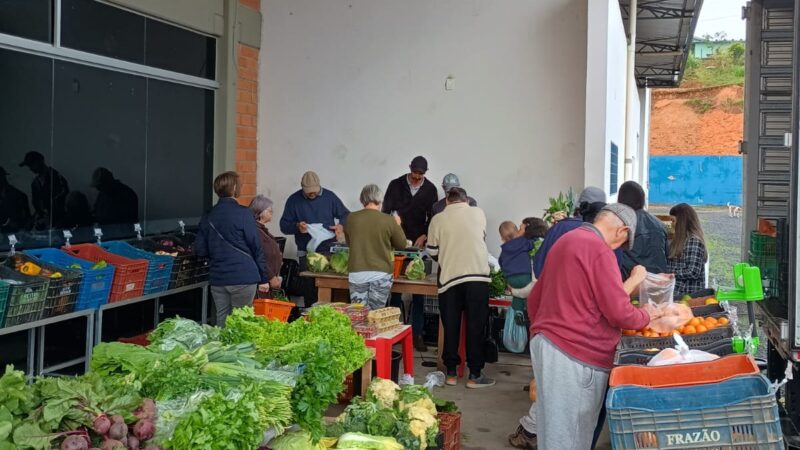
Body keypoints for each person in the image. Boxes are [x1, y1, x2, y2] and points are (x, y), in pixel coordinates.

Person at [527, 204, 655, 449]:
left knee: (552, 432)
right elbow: (619, 312)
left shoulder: (566, 240)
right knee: (570, 438)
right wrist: (645, 315)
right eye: (623, 242)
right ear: (622, 231)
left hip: (548, 345)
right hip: (575, 355)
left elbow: (535, 299)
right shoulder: (599, 250)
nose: (618, 248)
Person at [427, 187, 495, 388]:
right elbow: (479, 238)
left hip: (449, 280)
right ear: (466, 200)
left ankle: (450, 373)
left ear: (447, 201)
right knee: (476, 327)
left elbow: (432, 252)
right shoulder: (478, 213)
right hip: (478, 278)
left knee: (451, 327)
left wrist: (448, 256)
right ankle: (474, 375)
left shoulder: (438, 219)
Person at [196, 171, 269, 326]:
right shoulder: (243, 213)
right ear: (235, 187)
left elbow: (200, 249)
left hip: (218, 278)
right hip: (243, 276)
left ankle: (222, 343)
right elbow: (256, 246)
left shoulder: (208, 215)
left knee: (222, 320)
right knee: (241, 323)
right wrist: (264, 278)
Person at [383, 156, 439, 351]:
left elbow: (433, 218)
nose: (416, 177)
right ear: (409, 169)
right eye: (414, 173)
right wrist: (392, 230)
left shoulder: (430, 189)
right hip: (396, 241)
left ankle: (417, 334)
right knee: (396, 288)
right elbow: (385, 212)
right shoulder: (395, 185)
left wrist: (425, 235)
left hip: (418, 242)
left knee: (418, 290)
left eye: (420, 175)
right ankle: (394, 330)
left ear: (425, 173)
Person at [279, 171, 349, 308]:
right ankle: (310, 314)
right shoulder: (293, 200)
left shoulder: (329, 197)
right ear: (302, 188)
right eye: (308, 191)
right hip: (306, 253)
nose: (312, 193)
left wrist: (341, 225)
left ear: (319, 186)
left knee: (330, 288)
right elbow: (284, 226)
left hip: (328, 252)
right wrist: (297, 227)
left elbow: (346, 214)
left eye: (314, 191)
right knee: (309, 290)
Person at [344, 184, 408, 309]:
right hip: (381, 273)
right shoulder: (388, 220)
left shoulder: (351, 218)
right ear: (380, 200)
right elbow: (401, 244)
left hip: (357, 272)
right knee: (375, 315)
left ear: (362, 199)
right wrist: (398, 225)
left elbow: (349, 243)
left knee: (359, 313)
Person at [532, 186, 607, 278]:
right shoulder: (606, 233)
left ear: (578, 207)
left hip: (557, 285)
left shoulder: (561, 228)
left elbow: (539, 267)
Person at [618, 180, 669, 279]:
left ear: (621, 200)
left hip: (630, 281)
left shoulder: (623, 224)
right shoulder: (659, 224)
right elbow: (666, 254)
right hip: (656, 280)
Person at [19, 151, 69, 230]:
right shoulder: (35, 183)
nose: (30, 168)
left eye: (32, 164)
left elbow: (62, 199)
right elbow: (37, 204)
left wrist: (48, 215)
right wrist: (38, 217)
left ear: (40, 161)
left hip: (58, 222)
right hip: (45, 224)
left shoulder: (56, 177)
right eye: (29, 165)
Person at [667, 203, 707, 296]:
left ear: (682, 222)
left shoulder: (693, 241)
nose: (671, 224)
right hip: (678, 294)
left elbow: (692, 272)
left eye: (673, 221)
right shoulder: (680, 240)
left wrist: (670, 273)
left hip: (689, 296)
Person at [249, 195, 284, 292]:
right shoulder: (256, 231)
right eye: (269, 210)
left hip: (269, 282)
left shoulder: (262, 230)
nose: (272, 212)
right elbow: (258, 256)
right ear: (260, 212)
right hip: (262, 283)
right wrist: (271, 277)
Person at [0, 166, 31, 233]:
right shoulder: (19, 195)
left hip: (16, 233)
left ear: (3, 177)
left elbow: (27, 220)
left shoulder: (19, 195)